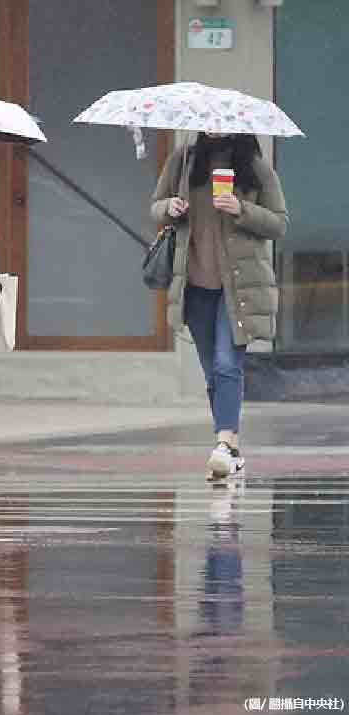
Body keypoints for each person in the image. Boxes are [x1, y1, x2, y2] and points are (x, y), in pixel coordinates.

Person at [152, 132, 286, 481]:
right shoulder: (184, 161)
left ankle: (224, 444)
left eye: (220, 123)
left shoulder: (254, 167)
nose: (214, 129)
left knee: (228, 365)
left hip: (238, 288)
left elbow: (279, 223)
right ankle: (232, 450)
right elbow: (155, 206)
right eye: (207, 122)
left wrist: (241, 209)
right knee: (213, 371)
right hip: (194, 285)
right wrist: (169, 207)